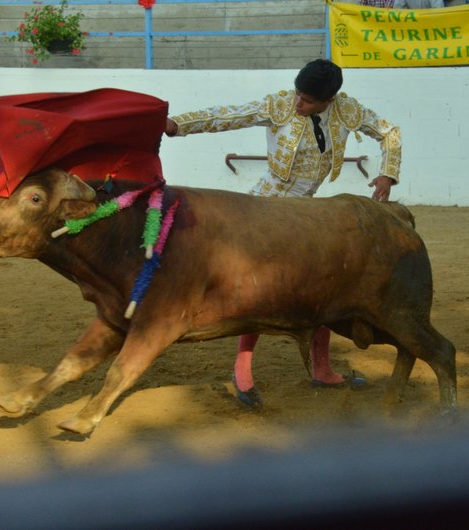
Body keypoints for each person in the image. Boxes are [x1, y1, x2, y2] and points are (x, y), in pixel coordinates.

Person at [165, 59, 401, 407]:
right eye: (297, 94)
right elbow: (227, 115)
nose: (297, 103)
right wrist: (176, 125)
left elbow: (389, 132)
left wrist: (387, 174)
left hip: (305, 214)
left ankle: (321, 368)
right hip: (264, 210)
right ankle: (242, 369)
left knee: (326, 284)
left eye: (306, 100)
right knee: (260, 290)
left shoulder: (347, 109)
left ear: (329, 100)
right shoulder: (279, 104)